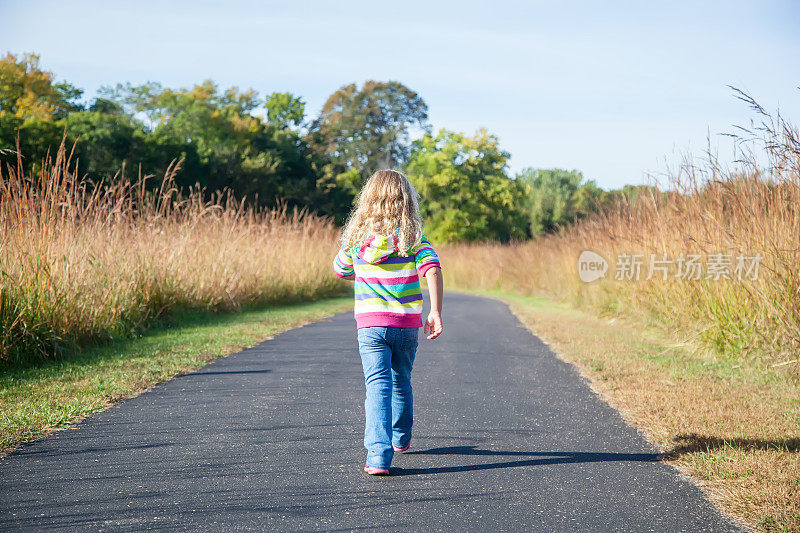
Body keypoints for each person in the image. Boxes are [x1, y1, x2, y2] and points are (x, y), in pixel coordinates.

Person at [332, 169, 444, 476]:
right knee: (401, 379)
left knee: (377, 385)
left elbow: (340, 269)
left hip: (370, 325)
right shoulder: (412, 238)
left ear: (369, 200)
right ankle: (400, 438)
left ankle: (378, 457)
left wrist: (362, 270)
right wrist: (435, 311)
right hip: (406, 325)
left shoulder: (356, 239)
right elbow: (432, 269)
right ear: (406, 201)